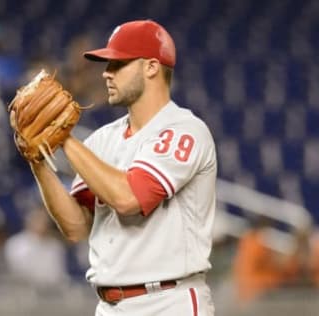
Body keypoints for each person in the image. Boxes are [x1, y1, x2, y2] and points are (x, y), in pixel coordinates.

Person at [27, 20, 217, 315]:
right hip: (110, 305)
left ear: (151, 67)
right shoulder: (103, 139)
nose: (106, 73)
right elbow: (77, 227)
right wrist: (38, 161)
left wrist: (63, 137)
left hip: (169, 301)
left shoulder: (185, 130)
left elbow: (128, 198)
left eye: (118, 64)